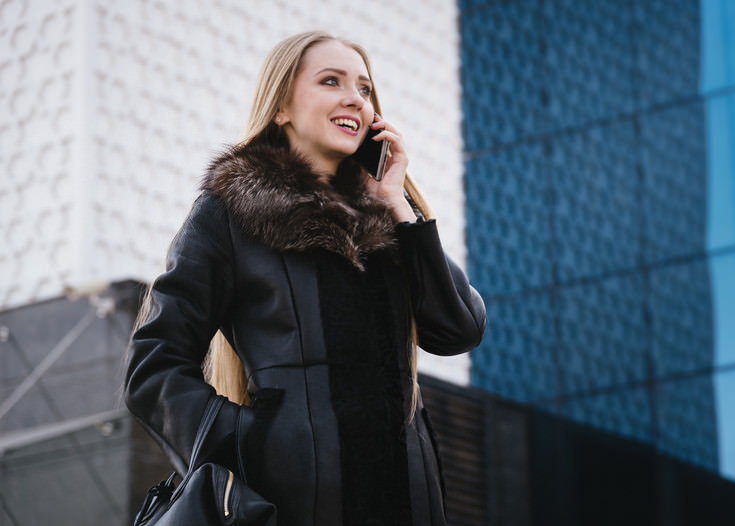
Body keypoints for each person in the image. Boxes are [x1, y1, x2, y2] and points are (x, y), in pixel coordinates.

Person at [124, 30, 486, 526]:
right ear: (282, 107)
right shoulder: (229, 212)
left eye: (364, 89)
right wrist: (253, 444)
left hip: (409, 498)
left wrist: (399, 203)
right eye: (331, 81)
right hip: (291, 504)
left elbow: (458, 330)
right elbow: (154, 364)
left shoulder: (392, 216)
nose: (354, 99)